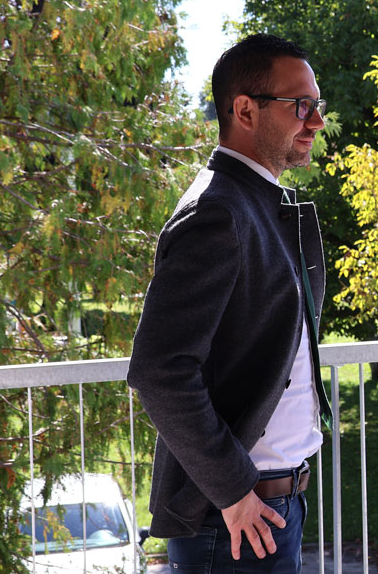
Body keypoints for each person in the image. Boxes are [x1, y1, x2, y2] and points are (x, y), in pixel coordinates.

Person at [127, 33, 332, 573]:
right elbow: (160, 370)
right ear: (244, 110)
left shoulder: (255, 202)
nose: (316, 121)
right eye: (300, 106)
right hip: (236, 522)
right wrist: (235, 491)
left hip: (269, 509)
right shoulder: (217, 212)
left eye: (318, 105)